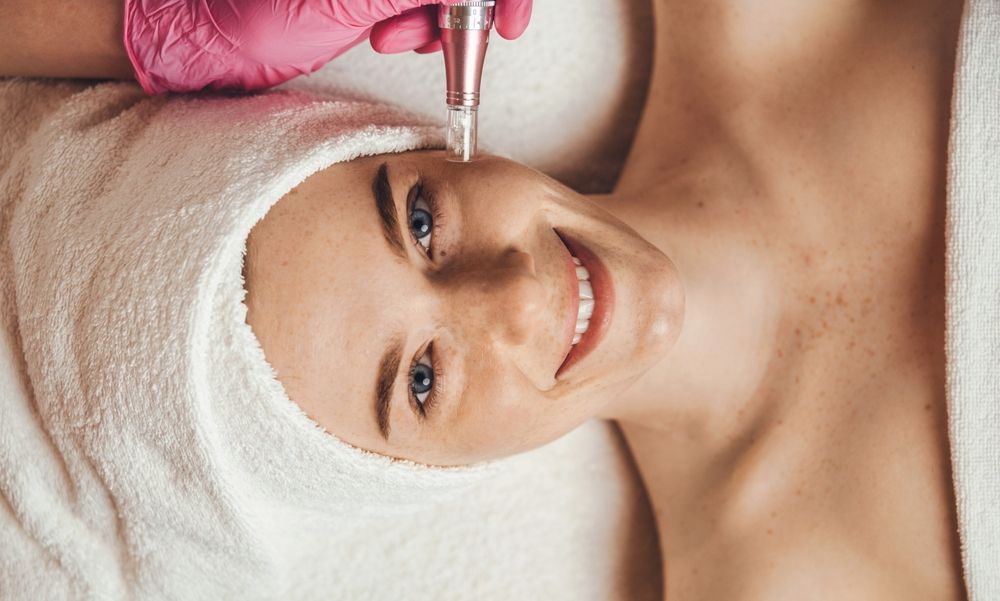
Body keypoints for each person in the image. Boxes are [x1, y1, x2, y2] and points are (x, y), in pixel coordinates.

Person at [0, 0, 978, 599]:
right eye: (422, 378)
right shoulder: (801, 583)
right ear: (415, 478)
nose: (514, 300)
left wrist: (145, 21)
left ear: (414, 136)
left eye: (421, 223)